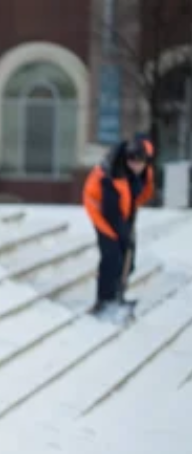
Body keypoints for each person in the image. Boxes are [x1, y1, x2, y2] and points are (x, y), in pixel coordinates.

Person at [81, 133, 154, 317]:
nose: (137, 166)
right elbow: (110, 209)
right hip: (102, 212)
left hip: (123, 212)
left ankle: (118, 295)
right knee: (112, 256)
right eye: (134, 162)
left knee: (128, 257)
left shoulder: (144, 171)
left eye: (142, 162)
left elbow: (140, 195)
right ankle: (103, 300)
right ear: (127, 159)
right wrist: (119, 234)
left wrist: (128, 225)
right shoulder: (113, 172)